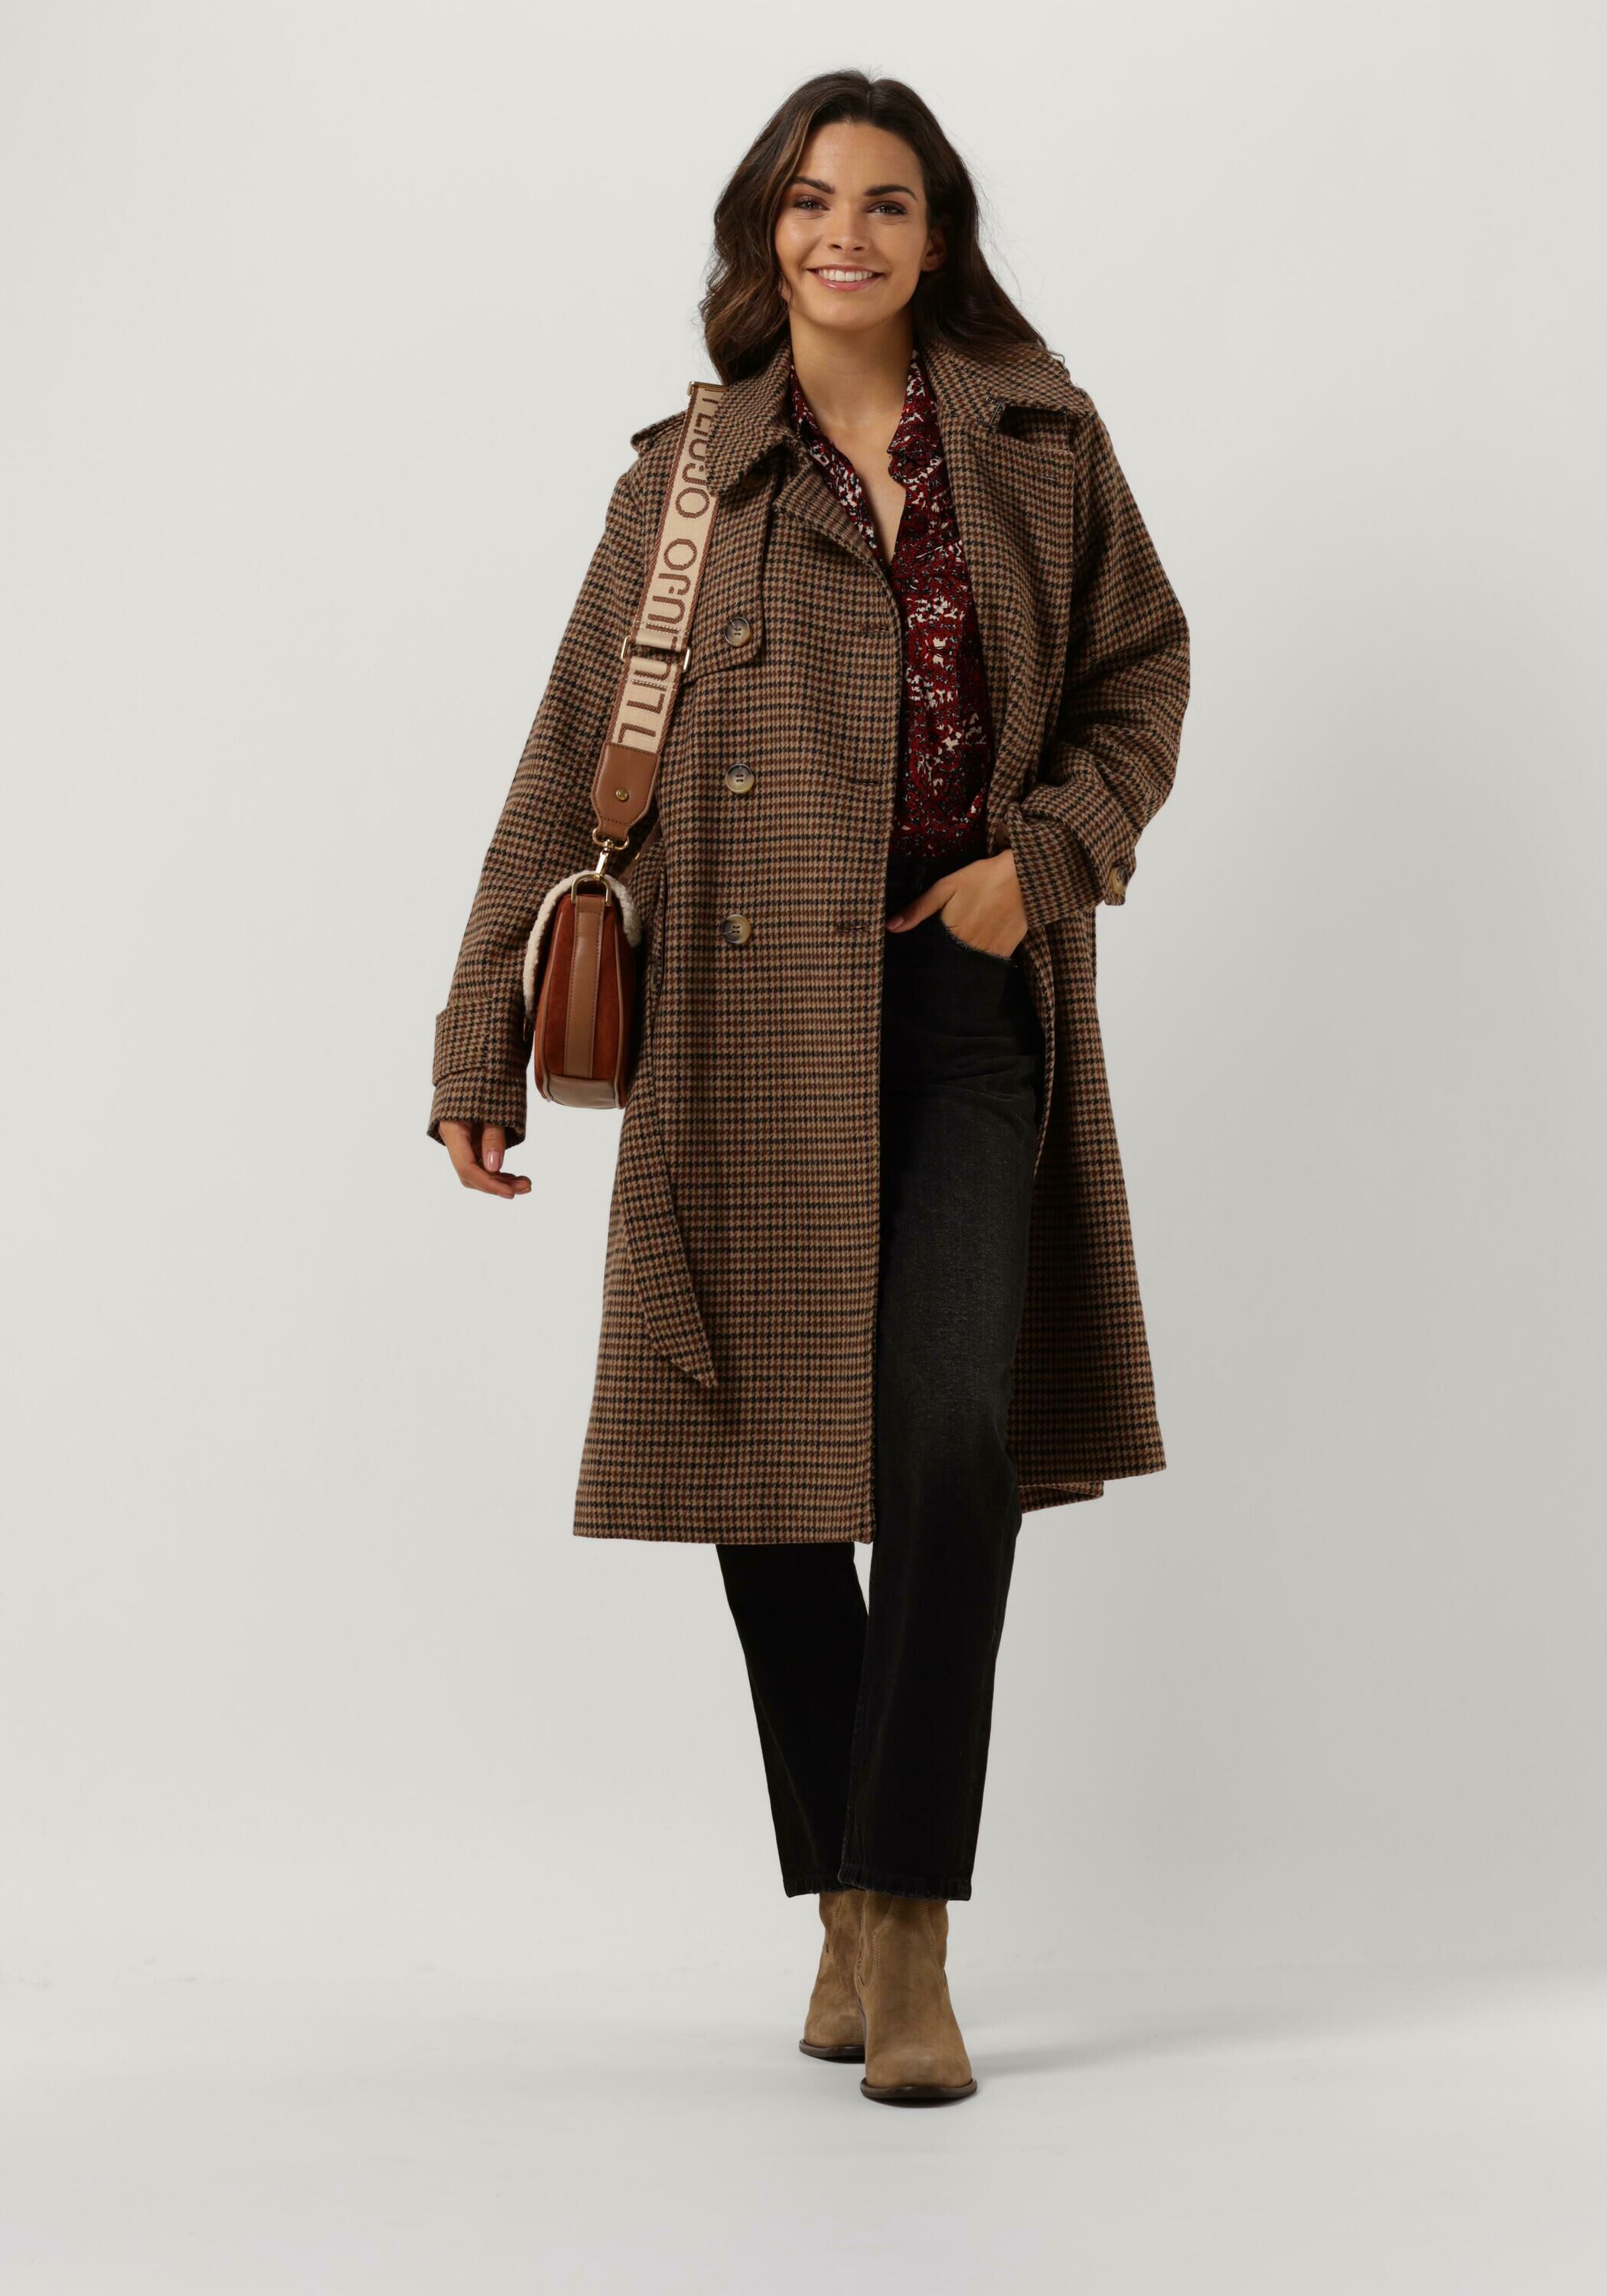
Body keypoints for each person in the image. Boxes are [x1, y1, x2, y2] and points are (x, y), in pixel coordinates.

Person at [428, 71, 1191, 2107]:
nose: (841, 232)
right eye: (806, 199)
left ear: (937, 239)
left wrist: (1036, 871)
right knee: (759, 1466)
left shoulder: (1037, 447)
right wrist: (479, 1039)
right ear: (762, 232)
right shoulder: (687, 481)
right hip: (737, 1023)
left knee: (945, 1431)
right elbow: (569, 760)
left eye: (884, 201)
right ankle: (846, 1900)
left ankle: (907, 1916)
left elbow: (1141, 678)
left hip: (961, 996)